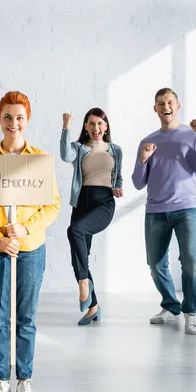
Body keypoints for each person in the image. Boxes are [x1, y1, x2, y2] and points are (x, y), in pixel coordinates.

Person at [0, 91, 60, 392]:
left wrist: (26, 227)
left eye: (19, 117)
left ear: (27, 120)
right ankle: (1, 380)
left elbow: (53, 205)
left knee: (26, 317)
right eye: (8, 117)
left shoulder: (39, 160)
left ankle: (24, 380)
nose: (13, 123)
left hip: (31, 247)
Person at [132, 87, 196, 335]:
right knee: (155, 263)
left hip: (187, 208)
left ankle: (190, 311)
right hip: (156, 211)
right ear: (155, 109)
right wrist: (142, 159)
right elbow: (139, 183)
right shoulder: (148, 141)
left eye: (169, 102)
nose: (165, 106)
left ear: (177, 105)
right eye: (160, 103)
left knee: (191, 261)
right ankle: (171, 307)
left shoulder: (192, 136)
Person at [60, 108, 123, 325]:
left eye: (100, 124)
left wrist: (118, 187)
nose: (96, 128)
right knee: (80, 255)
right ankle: (93, 307)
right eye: (91, 124)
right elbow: (65, 155)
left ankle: (83, 284)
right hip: (81, 203)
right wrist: (66, 127)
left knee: (75, 231)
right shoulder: (79, 148)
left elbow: (118, 176)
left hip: (103, 203)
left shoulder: (115, 150)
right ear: (85, 127)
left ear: (106, 126)